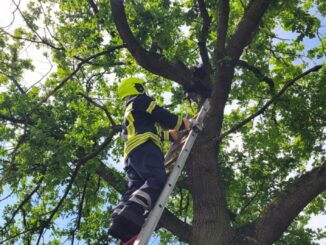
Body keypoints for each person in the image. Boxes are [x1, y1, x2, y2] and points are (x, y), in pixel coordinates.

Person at [108, 77, 190, 243]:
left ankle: (120, 224)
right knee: (157, 178)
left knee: (135, 188)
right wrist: (183, 123)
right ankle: (131, 214)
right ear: (137, 88)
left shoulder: (129, 112)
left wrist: (169, 135)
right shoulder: (141, 100)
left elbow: (148, 129)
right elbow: (161, 115)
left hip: (131, 156)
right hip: (145, 147)